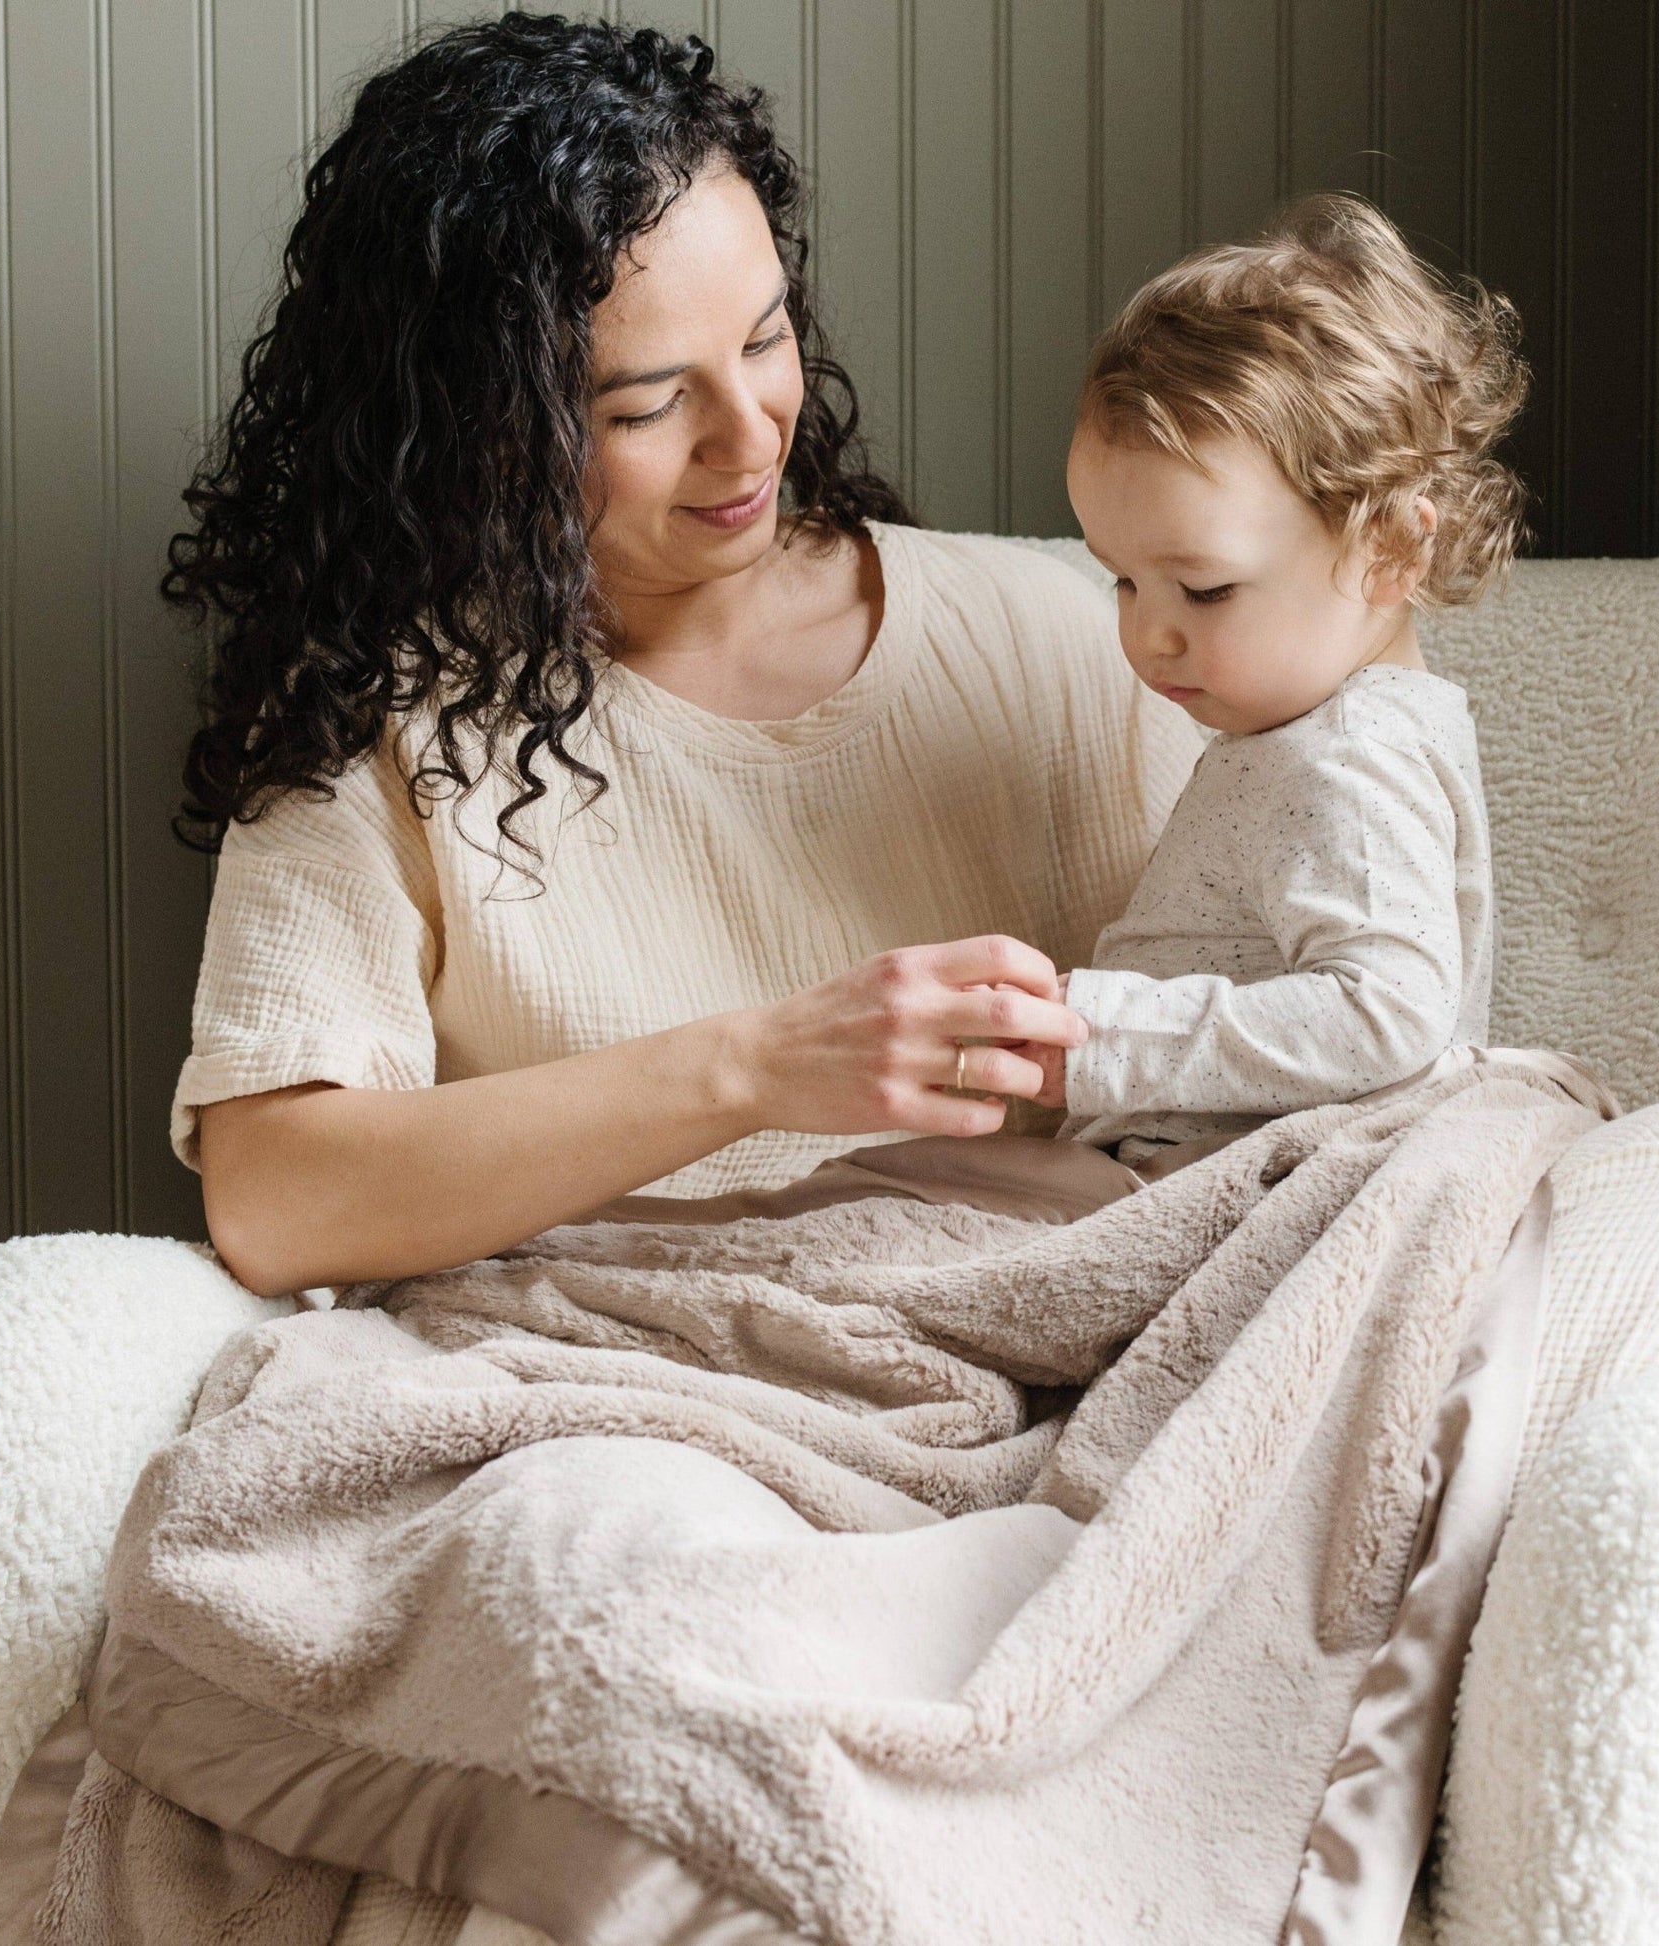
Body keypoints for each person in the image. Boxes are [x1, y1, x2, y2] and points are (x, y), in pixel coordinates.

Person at [165, 15, 1197, 1296]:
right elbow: (276, 1200)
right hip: (626, 1391)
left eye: (765, 341)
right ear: (482, 428)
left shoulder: (1061, 636)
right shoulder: (376, 725)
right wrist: (753, 1069)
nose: (751, 437)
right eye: (647, 403)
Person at [1027, 196, 1524, 1160]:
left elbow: (1386, 1013)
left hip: (1227, 1193)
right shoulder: (1318, 732)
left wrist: (1099, 1036)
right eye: (1123, 579)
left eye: (1205, 591)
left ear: (1388, 552)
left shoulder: (1348, 757)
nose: (1147, 636)